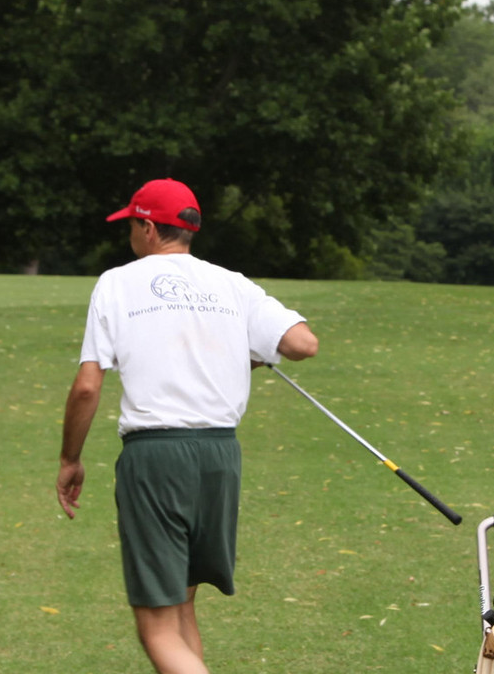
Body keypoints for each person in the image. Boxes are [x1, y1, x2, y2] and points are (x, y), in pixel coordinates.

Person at [56, 178, 318, 674]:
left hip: (157, 457)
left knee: (155, 625)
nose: (131, 235)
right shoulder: (232, 283)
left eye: (133, 225)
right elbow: (302, 343)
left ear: (149, 228)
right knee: (181, 606)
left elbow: (89, 386)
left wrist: (70, 459)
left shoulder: (117, 282)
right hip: (219, 457)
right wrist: (242, 360)